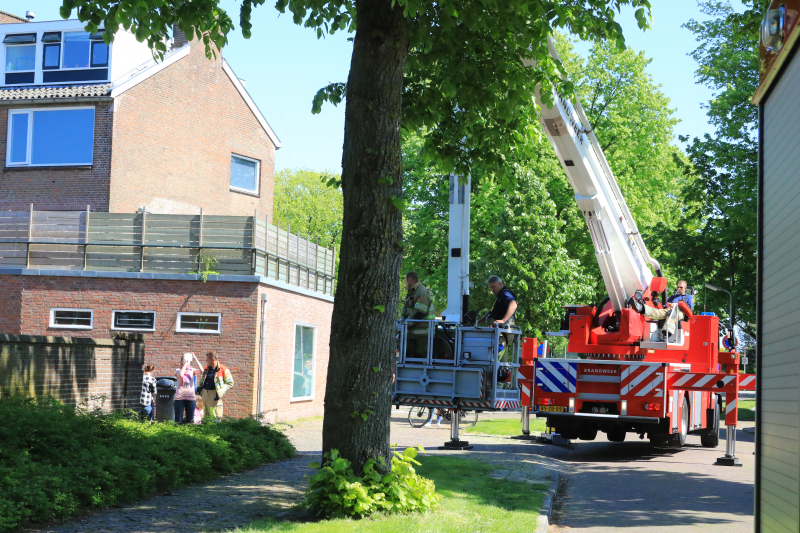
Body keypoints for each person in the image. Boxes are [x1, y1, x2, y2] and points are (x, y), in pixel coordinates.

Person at [628, 280, 693, 337]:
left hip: (680, 312)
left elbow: (689, 307)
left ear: (685, 288)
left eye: (681, 287)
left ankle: (667, 332)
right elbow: (665, 305)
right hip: (668, 309)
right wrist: (668, 304)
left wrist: (676, 305)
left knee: (673, 313)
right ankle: (641, 308)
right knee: (656, 312)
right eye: (678, 287)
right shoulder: (673, 297)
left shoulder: (689, 297)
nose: (679, 289)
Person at [400, 271, 435, 359]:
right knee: (408, 359)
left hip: (422, 335)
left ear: (409, 279)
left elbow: (419, 312)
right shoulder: (412, 292)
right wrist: (401, 321)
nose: (405, 283)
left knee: (419, 359)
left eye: (406, 281)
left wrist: (405, 325)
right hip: (412, 334)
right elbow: (406, 310)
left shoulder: (422, 292)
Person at [199, 351, 235, 421]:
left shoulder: (223, 369)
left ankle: (214, 430)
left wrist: (221, 391)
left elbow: (230, 383)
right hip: (204, 395)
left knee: (214, 416)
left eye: (208, 359)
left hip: (214, 396)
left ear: (213, 360)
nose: (206, 361)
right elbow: (202, 381)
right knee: (204, 416)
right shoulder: (206, 369)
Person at [487, 275, 518, 355]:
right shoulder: (499, 297)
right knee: (493, 355)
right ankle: (501, 366)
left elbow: (513, 304)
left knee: (497, 356)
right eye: (490, 287)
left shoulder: (505, 293)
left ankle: (502, 367)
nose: (492, 290)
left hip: (503, 330)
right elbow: (491, 313)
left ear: (500, 284)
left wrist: (503, 320)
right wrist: (477, 322)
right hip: (498, 330)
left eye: (493, 287)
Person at [174, 353, 201, 424]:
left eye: (187, 359)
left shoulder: (192, 370)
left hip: (191, 398)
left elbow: (202, 371)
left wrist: (195, 358)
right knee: (178, 420)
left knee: (190, 421)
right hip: (179, 398)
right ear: (181, 360)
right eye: (184, 359)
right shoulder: (178, 370)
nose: (186, 360)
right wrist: (185, 364)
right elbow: (181, 375)